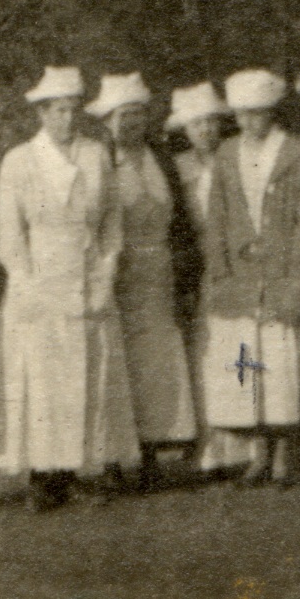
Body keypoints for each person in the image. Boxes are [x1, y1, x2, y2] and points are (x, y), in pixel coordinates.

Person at [0, 64, 137, 510]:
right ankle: (44, 477)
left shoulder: (96, 155)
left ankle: (79, 470)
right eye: (56, 112)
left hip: (88, 281)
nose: (65, 120)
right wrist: (28, 286)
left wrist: (105, 274)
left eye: (71, 111)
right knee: (45, 383)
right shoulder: (20, 161)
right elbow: (9, 238)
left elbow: (111, 225)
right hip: (39, 284)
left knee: (88, 380)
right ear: (41, 114)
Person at [201, 68, 300, 485]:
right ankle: (258, 454)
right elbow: (217, 216)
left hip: (281, 272)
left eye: (259, 114)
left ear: (272, 112)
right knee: (250, 365)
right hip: (242, 276)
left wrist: (297, 269)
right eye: (243, 114)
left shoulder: (294, 151)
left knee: (282, 364)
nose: (251, 122)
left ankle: (284, 454)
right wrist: (223, 263)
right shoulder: (227, 153)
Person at [91, 71, 200, 484]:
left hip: (160, 274)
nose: (131, 124)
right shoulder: (100, 160)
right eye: (122, 116)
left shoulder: (161, 158)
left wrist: (185, 276)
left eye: (137, 115)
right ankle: (115, 460)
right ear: (107, 121)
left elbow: (183, 224)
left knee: (157, 363)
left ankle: (154, 453)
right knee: (119, 365)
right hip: (119, 275)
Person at [167, 81, 250, 478]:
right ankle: (208, 444)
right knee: (204, 351)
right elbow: (176, 224)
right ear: (185, 130)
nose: (205, 131)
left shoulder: (235, 158)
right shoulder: (178, 169)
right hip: (197, 264)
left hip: (234, 262)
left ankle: (243, 442)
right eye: (197, 125)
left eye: (211, 123)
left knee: (236, 346)